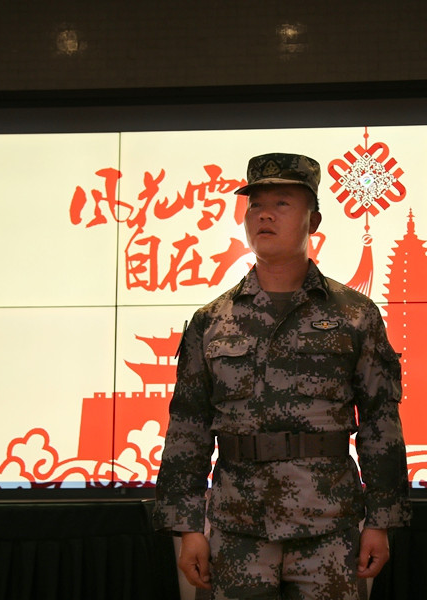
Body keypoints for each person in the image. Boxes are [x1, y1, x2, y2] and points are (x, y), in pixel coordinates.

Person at [153, 152, 411, 599]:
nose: (264, 214)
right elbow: (188, 429)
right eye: (255, 205)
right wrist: (189, 528)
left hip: (329, 527)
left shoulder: (355, 315)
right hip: (238, 529)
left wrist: (381, 521)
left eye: (281, 203)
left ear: (314, 220)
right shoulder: (211, 320)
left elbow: (380, 423)